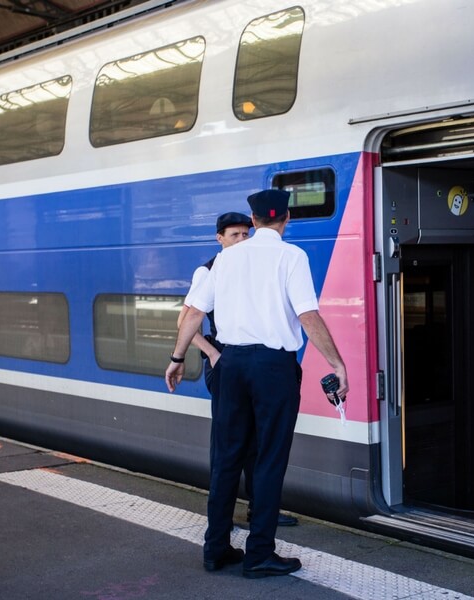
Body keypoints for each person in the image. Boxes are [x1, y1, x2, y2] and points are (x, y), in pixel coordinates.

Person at [165, 189, 348, 579]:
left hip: (231, 365)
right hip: (272, 368)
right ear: (285, 220)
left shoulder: (225, 259)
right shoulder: (291, 256)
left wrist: (177, 358)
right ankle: (260, 554)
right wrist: (337, 363)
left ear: (253, 219)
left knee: (227, 457)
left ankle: (215, 549)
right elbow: (307, 315)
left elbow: (194, 312)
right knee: (267, 459)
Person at [177, 212, 297, 529]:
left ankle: (260, 509)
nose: (242, 240)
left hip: (243, 363)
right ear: (220, 238)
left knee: (256, 442)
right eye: (235, 235)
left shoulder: (247, 267)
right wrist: (214, 354)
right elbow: (184, 321)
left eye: (246, 234)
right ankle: (222, 519)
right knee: (229, 445)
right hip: (225, 365)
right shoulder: (209, 270)